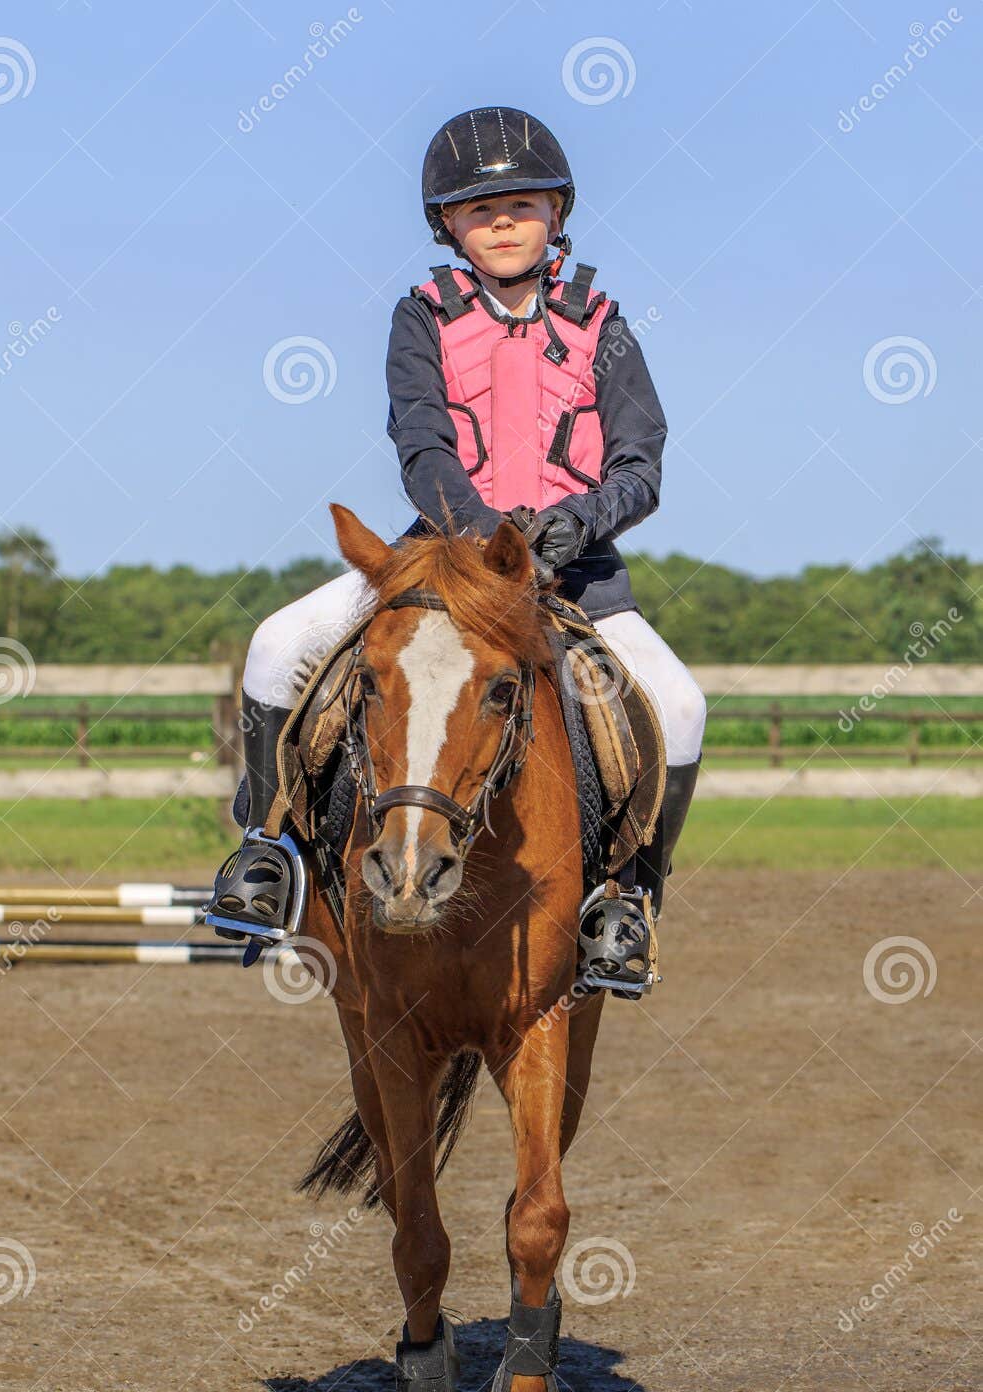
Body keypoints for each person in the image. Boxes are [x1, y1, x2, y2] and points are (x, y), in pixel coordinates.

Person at [208, 106, 705, 995]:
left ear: (559, 211)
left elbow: (642, 461)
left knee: (679, 703)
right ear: (447, 226)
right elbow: (422, 447)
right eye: (479, 210)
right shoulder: (421, 317)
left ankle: (625, 901)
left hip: (575, 571)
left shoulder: (606, 324)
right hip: (439, 559)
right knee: (278, 645)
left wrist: (578, 523)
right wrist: (481, 535)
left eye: (522, 202)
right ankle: (266, 850)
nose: (502, 221)